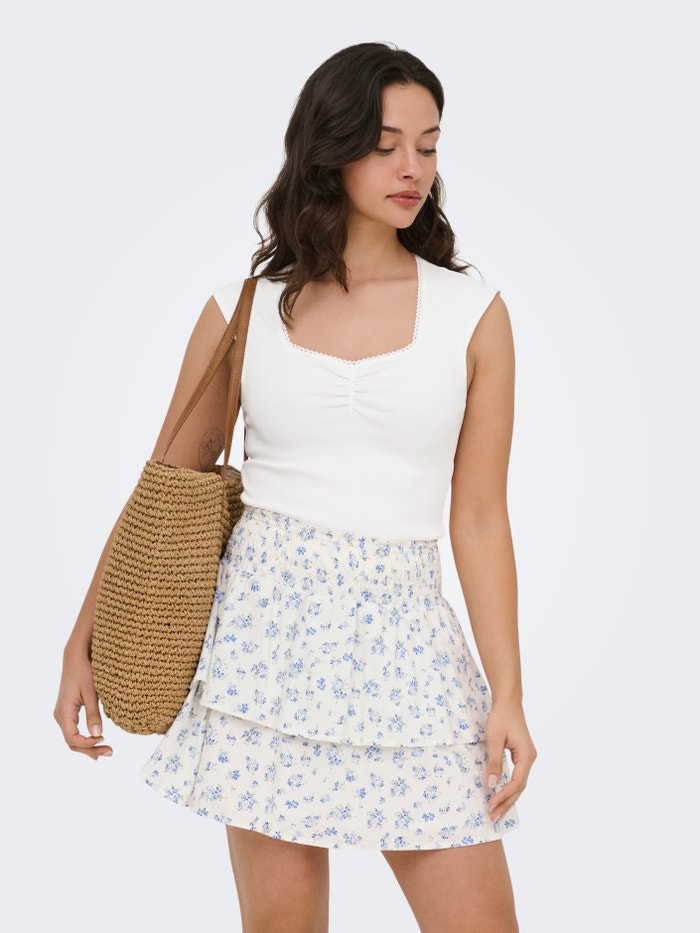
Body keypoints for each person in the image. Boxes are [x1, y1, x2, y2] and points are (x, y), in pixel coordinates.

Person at [54, 42, 536, 933]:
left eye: (428, 145)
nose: (412, 167)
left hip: (410, 650)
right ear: (331, 148)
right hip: (260, 647)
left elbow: (478, 517)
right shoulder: (243, 304)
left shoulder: (473, 313)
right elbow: (165, 489)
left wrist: (507, 691)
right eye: (386, 145)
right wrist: (83, 638)